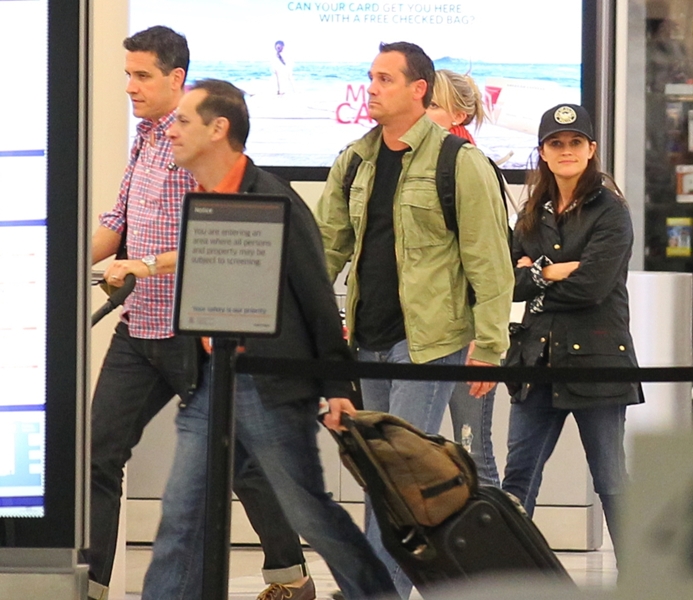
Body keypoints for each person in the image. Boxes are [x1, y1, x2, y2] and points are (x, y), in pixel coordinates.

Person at [141, 78, 397, 600]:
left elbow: (315, 293)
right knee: (182, 518)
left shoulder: (273, 198)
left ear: (219, 129)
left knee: (309, 512)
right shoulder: (202, 198)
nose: (171, 131)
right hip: (212, 383)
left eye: (184, 121)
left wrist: (337, 385)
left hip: (268, 386)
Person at [89, 27, 313, 600]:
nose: (131, 87)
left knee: (241, 461)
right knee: (97, 455)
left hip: (194, 333)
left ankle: (290, 579)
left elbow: (218, 234)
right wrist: (50, 259)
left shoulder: (195, 144)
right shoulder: (144, 138)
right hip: (140, 328)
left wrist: (145, 264)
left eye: (142, 75)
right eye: (128, 75)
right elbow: (117, 222)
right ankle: (88, 585)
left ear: (176, 79)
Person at [315, 42, 514, 598]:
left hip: (428, 343)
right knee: (378, 480)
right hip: (367, 341)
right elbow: (323, 250)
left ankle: (378, 592)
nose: (371, 88)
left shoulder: (460, 161)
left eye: (385, 78)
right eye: (370, 77)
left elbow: (489, 262)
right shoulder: (355, 160)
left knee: (399, 480)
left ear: (418, 89)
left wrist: (489, 347)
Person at [501, 103, 645, 563]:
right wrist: (550, 272)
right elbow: (508, 281)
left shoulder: (612, 212)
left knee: (611, 480)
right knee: (517, 480)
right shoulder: (532, 212)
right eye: (556, 143)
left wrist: (535, 278)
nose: (566, 150)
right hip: (535, 362)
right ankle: (504, 578)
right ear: (543, 152)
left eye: (575, 142)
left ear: (591, 149)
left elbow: (592, 288)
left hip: (597, 363)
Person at [426, 68, 499, 487]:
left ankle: (492, 529)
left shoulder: (470, 166)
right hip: (421, 334)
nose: (423, 113)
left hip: (464, 334)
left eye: (433, 106)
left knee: (473, 453)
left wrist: (484, 340)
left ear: (458, 114)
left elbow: (488, 264)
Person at [426, 69, 485, 144]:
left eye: (433, 105)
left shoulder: (451, 147)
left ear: (458, 117)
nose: (419, 109)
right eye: (419, 101)